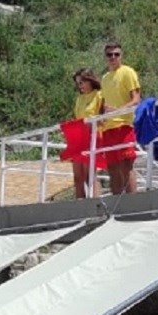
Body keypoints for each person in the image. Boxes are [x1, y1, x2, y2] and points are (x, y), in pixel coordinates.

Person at [100, 41, 142, 195]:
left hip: (124, 125)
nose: (113, 57)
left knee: (126, 164)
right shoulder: (105, 78)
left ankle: (132, 201)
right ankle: (116, 204)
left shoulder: (127, 72)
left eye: (116, 54)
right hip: (108, 127)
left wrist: (117, 111)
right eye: (109, 55)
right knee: (112, 167)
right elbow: (104, 103)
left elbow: (136, 99)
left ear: (121, 55)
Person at [62, 68, 104, 199]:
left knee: (89, 173)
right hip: (79, 137)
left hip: (92, 135)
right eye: (78, 83)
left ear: (90, 81)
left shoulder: (99, 95)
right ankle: (79, 203)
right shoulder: (79, 99)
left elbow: (102, 117)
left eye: (82, 82)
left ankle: (96, 202)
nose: (80, 86)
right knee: (77, 175)